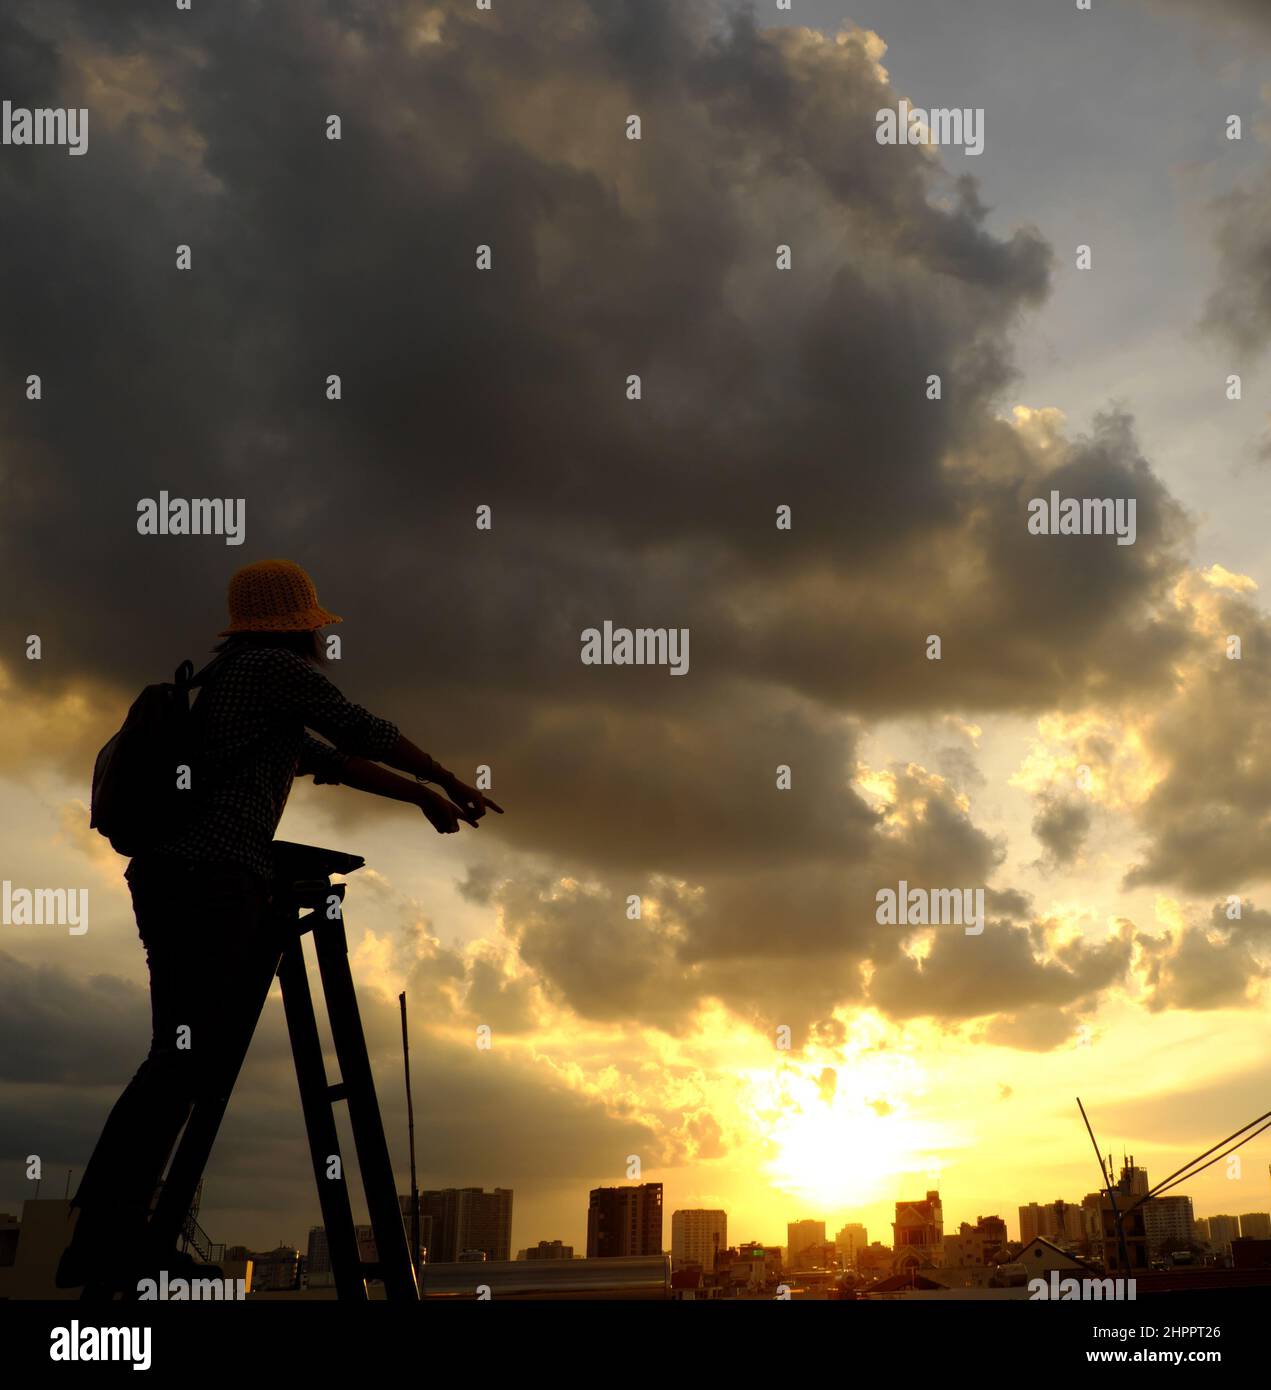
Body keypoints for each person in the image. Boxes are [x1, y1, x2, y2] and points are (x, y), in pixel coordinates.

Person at [57, 559, 501, 1296]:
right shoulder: (273, 671)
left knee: (182, 1059)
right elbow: (364, 732)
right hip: (214, 884)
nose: (324, 640)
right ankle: (107, 1237)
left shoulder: (223, 685)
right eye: (317, 628)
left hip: (173, 882)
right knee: (180, 1062)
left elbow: (336, 763)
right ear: (300, 629)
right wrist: (448, 779)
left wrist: (421, 798)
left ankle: (115, 1236)